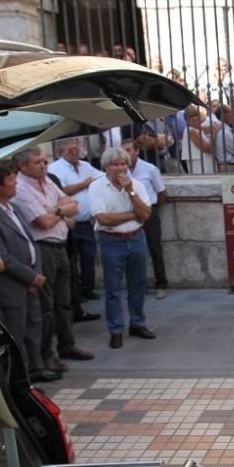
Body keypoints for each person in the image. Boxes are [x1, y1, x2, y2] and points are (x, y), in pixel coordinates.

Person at [0, 161, 58, 383]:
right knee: (16, 333)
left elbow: (32, 243)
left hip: (30, 280)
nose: (16, 184)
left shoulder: (14, 208)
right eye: (11, 180)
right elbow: (1, 255)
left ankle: (36, 368)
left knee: (34, 325)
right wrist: (31, 277)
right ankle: (21, 378)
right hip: (12, 285)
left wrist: (36, 272)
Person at [13, 147, 95, 373]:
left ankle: (67, 345)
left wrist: (56, 210)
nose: (43, 165)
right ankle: (46, 354)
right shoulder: (21, 189)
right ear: (23, 166)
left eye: (44, 161)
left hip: (61, 246)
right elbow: (43, 222)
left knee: (64, 301)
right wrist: (62, 213)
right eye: (37, 162)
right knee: (46, 306)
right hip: (44, 248)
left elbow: (74, 207)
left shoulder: (48, 181)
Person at [88, 147, 157, 349]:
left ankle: (138, 323)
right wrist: (132, 215)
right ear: (106, 167)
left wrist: (131, 192)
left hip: (136, 238)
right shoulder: (97, 187)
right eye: (115, 164)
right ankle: (115, 330)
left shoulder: (136, 186)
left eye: (123, 164)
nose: (120, 168)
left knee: (138, 285)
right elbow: (103, 218)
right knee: (113, 289)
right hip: (111, 240)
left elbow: (145, 215)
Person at [48, 138, 103, 321]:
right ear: (61, 152)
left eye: (76, 148)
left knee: (89, 257)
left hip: (86, 222)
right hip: (69, 225)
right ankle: (76, 296)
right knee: (72, 263)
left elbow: (100, 177)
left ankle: (87, 290)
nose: (75, 152)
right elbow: (62, 191)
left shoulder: (85, 166)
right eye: (70, 150)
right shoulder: (55, 169)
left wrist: (88, 183)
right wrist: (83, 184)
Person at [121, 138, 169, 300]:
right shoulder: (120, 171)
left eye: (129, 150)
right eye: (124, 151)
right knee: (131, 251)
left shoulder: (150, 169)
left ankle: (161, 284)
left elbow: (162, 192)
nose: (126, 154)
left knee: (155, 248)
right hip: (130, 213)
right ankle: (136, 286)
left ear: (137, 151)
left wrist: (153, 210)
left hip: (149, 211)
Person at [181, 105, 216, 174]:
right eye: (191, 117)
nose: (195, 118)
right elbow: (206, 147)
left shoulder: (197, 129)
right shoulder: (191, 131)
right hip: (200, 165)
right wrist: (215, 134)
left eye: (196, 115)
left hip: (205, 162)